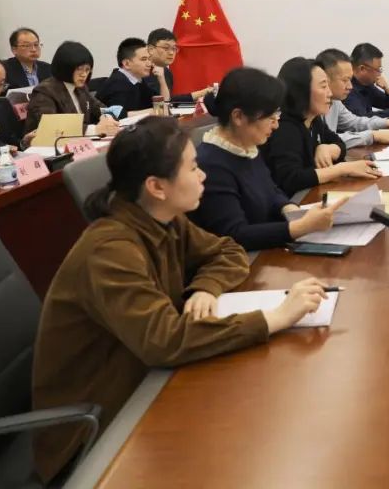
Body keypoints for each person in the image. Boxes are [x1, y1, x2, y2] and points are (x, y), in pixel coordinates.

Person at [32, 116, 336, 483]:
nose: (203, 175)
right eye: (193, 168)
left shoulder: (161, 217)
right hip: (95, 427)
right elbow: (164, 341)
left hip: (145, 380)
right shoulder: (110, 250)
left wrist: (205, 287)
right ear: (156, 186)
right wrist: (275, 318)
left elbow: (228, 251)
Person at [188, 67, 350, 252]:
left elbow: (271, 190)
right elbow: (234, 235)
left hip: (268, 246)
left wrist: (291, 210)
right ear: (238, 116)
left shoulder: (247, 146)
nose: (276, 124)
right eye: (269, 117)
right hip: (244, 259)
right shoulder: (211, 166)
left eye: (277, 114)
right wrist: (300, 227)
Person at [263, 57, 382, 195]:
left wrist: (327, 148)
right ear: (302, 91)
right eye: (324, 86)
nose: (330, 93)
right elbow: (291, 179)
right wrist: (342, 169)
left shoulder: (314, 120)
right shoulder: (284, 128)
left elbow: (338, 143)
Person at [316, 49, 389, 148]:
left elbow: (354, 122)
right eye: (345, 80)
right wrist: (373, 136)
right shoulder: (314, 106)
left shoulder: (336, 102)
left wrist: (387, 122)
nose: (350, 86)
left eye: (350, 80)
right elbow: (325, 141)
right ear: (326, 80)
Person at [24, 41, 120, 136]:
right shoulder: (45, 91)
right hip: (47, 144)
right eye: (79, 69)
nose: (84, 74)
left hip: (80, 142)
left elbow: (103, 109)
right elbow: (52, 127)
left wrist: (106, 117)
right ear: (65, 67)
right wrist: (95, 129)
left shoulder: (81, 88)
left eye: (87, 69)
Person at [143, 28, 214, 104]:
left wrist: (204, 92)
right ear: (151, 49)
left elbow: (168, 99)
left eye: (174, 48)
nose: (171, 53)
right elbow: (156, 104)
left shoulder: (166, 72)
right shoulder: (141, 70)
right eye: (166, 48)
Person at [96, 38, 156, 117]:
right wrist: (150, 112)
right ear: (127, 64)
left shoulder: (137, 80)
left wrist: (162, 80)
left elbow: (156, 102)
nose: (149, 64)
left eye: (149, 59)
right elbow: (118, 117)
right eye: (144, 59)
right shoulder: (117, 84)